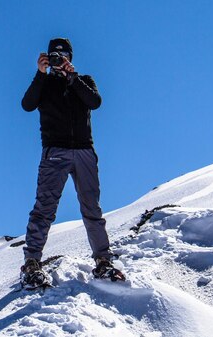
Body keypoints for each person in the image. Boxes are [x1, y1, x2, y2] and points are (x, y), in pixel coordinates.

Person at [19, 37, 125, 288]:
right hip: (55, 151)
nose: (59, 59)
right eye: (53, 55)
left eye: (63, 55)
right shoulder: (43, 83)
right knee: (44, 208)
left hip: (84, 151)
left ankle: (103, 261)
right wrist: (40, 73)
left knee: (92, 209)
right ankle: (32, 262)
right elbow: (27, 105)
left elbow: (95, 102)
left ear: (70, 57)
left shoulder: (84, 80)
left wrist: (73, 77)